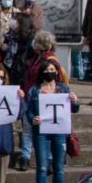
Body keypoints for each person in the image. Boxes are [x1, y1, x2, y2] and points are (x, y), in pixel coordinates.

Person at [27, 58, 79, 183]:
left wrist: (74, 101)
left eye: (52, 70)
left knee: (59, 167)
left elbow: (73, 109)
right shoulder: (34, 90)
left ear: (56, 72)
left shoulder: (63, 88)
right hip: (41, 132)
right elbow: (28, 111)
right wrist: (33, 119)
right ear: (41, 72)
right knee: (42, 167)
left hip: (59, 131)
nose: (49, 72)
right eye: (46, 70)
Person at [18, 30, 58, 171]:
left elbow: (57, 81)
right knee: (27, 130)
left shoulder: (50, 61)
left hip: (43, 99)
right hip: (31, 97)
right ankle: (25, 157)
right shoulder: (37, 58)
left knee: (45, 131)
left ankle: (49, 160)